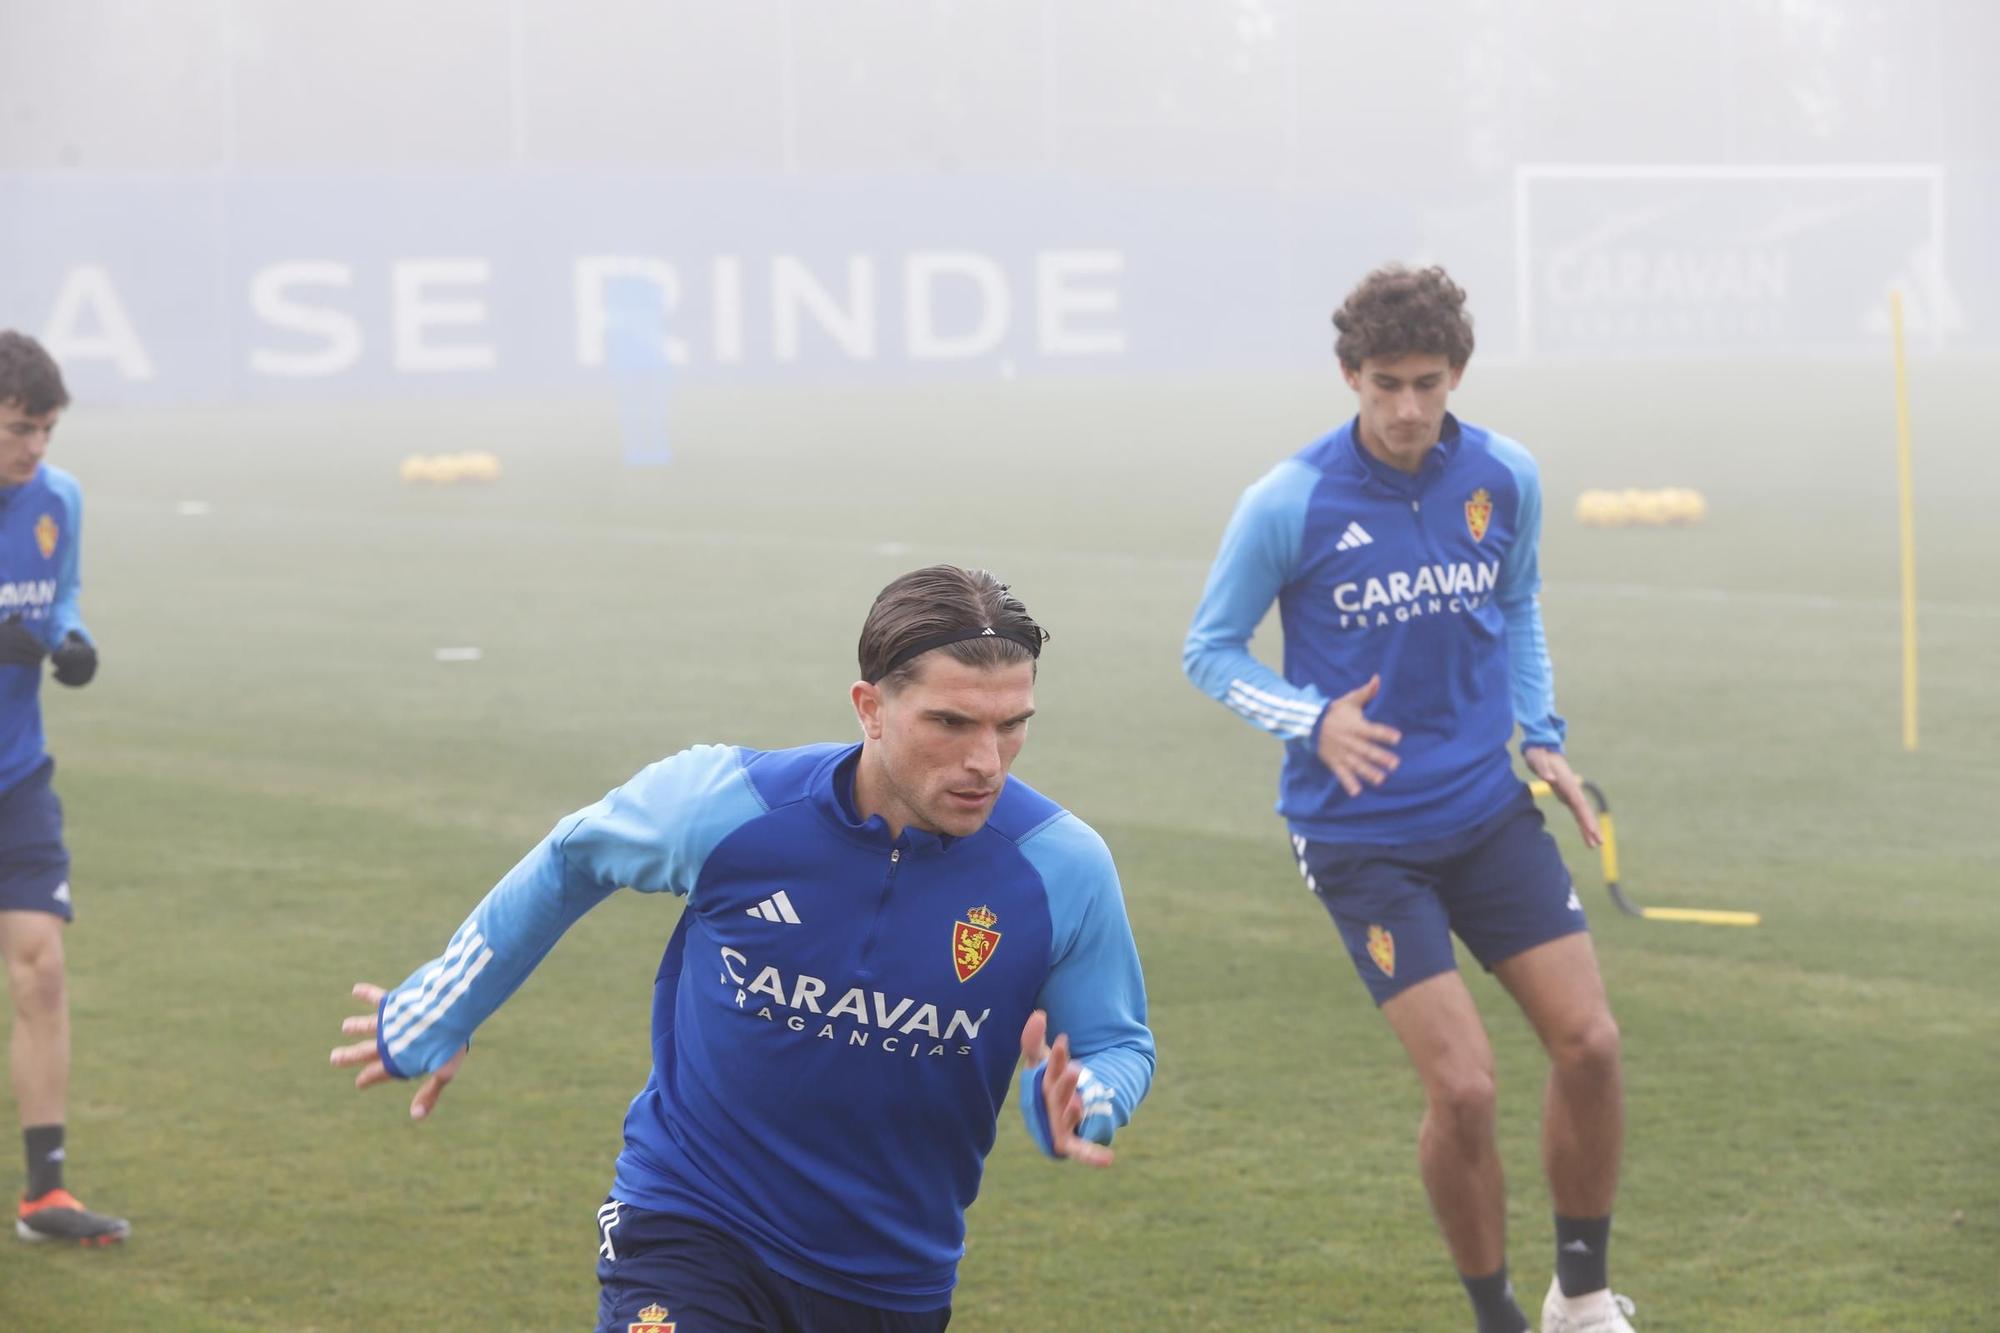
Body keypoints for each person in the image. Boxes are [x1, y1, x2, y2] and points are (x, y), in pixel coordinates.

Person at [332, 565, 1154, 1332]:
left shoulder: (1060, 867)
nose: (986, 761)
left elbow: (1115, 1041)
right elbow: (571, 856)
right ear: (869, 707)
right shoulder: (727, 807)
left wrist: (1089, 1100)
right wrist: (446, 1007)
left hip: (889, 1278)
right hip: (688, 1220)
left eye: (1013, 726)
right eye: (951, 722)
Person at [1183, 266, 1633, 1333]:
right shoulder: (1287, 500)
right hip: (1359, 838)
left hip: (1486, 812)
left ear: (1455, 375)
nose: (1404, 409)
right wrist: (1311, 718)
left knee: (1592, 1045)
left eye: (1425, 383)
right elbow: (1207, 651)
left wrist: (1543, 737)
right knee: (1465, 1090)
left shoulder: (1503, 477)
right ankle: (1497, 1318)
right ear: (1349, 375)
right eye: (1382, 383)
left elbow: (1516, 605)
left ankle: (1580, 1295)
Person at [0, 331, 123, 1246]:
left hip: (17, 774)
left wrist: (70, 640)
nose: (35, 445)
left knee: (40, 969)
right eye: (18, 428)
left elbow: (61, 594)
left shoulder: (59, 498)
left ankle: (45, 1192)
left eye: (44, 428)